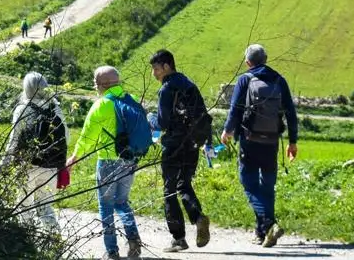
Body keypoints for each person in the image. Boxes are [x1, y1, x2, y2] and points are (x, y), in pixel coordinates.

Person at [220, 43, 298, 247]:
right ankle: (261, 232)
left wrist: (227, 131)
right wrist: (293, 142)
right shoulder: (279, 80)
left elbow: (235, 109)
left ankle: (269, 223)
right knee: (267, 186)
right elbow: (291, 113)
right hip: (272, 142)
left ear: (247, 62)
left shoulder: (245, 79)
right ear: (266, 59)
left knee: (248, 183)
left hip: (249, 141)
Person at [67, 66, 143, 259]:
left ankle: (111, 251)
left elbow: (87, 137)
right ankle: (133, 237)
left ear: (102, 84)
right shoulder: (132, 100)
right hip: (130, 159)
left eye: (95, 82)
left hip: (108, 161)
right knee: (122, 202)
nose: (94, 86)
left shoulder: (101, 105)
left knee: (106, 206)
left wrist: (74, 157)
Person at [149, 49, 212, 252]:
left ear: (166, 66)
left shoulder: (167, 89)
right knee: (184, 184)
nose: (154, 73)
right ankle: (198, 217)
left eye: (156, 69)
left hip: (173, 146)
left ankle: (179, 239)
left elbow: (162, 123)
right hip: (192, 143)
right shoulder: (189, 84)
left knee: (169, 191)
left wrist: (149, 118)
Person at [3, 72, 67, 232]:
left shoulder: (22, 109)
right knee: (45, 208)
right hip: (51, 165)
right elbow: (67, 137)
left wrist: (4, 163)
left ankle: (25, 239)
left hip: (28, 165)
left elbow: (13, 140)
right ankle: (54, 238)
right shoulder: (56, 108)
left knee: (24, 206)